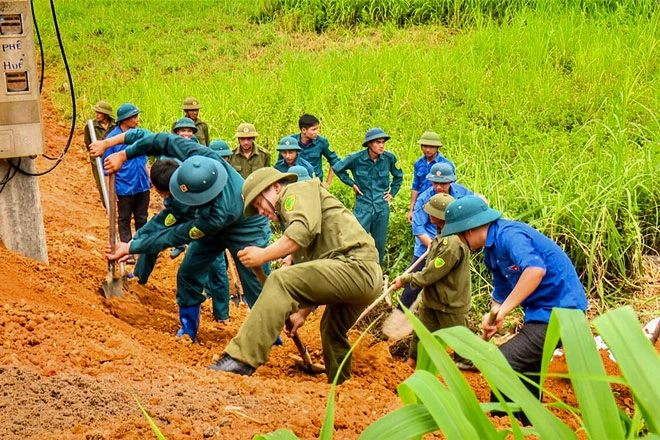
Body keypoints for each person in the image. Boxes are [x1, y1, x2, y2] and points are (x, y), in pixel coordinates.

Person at [90, 131, 272, 342]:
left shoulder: (215, 215)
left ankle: (270, 337)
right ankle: (188, 330)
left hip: (246, 225)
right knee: (188, 273)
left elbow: (174, 235)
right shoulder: (200, 156)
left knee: (256, 284)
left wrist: (131, 248)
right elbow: (160, 140)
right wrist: (124, 154)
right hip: (212, 223)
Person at [209, 168, 382, 384]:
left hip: (355, 266)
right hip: (364, 275)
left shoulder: (295, 191)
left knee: (280, 280)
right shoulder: (301, 213)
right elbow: (315, 273)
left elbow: (302, 232)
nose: (261, 211)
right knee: (331, 329)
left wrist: (262, 255)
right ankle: (341, 384)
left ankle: (240, 359)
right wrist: (301, 314)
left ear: (275, 187)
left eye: (259, 203)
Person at [441, 195, 588, 424]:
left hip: (562, 312)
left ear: (470, 228)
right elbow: (500, 292)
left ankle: (504, 425)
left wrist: (505, 311)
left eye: (459, 233)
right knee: (527, 373)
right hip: (539, 314)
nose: (460, 239)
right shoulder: (491, 252)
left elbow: (535, 270)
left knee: (502, 363)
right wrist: (492, 316)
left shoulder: (510, 235)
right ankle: (529, 425)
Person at [391, 193, 471, 369]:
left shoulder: (451, 244)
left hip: (450, 302)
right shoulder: (441, 235)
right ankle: (411, 362)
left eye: (431, 212)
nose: (428, 215)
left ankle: (466, 372)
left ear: (441, 216)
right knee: (421, 334)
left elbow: (430, 274)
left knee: (461, 340)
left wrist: (405, 279)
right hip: (433, 300)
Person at [399, 162, 474, 309]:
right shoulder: (424, 198)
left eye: (443, 183)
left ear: (451, 181)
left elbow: (474, 205)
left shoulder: (461, 193)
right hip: (426, 249)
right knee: (412, 287)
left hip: (452, 250)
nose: (439, 187)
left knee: (447, 285)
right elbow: (418, 227)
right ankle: (399, 318)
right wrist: (434, 247)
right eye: (435, 183)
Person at [333, 127, 404, 264]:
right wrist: (352, 184)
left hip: (381, 207)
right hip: (363, 206)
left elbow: (398, 176)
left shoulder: (389, 158)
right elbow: (337, 168)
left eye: (383, 142)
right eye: (378, 142)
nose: (382, 145)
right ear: (369, 144)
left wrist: (392, 193)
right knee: (355, 240)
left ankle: (377, 272)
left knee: (379, 244)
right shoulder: (356, 158)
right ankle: (355, 267)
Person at [102, 103, 150, 265]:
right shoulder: (112, 139)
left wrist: (150, 179)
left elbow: (144, 161)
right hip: (124, 187)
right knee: (124, 219)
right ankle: (127, 251)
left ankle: (142, 248)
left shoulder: (139, 136)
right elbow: (107, 169)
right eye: (134, 117)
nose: (137, 120)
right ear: (125, 120)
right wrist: (111, 192)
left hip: (141, 184)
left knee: (142, 218)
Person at [407, 131, 455, 223]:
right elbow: (415, 187)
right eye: (425, 146)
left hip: (439, 204)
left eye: (431, 147)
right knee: (419, 229)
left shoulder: (446, 164)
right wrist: (411, 209)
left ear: (437, 148)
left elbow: (451, 187)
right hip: (421, 203)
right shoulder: (419, 163)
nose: (428, 150)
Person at [286, 114, 340, 188]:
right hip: (295, 184)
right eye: (313, 129)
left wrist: (328, 182)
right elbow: (281, 163)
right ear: (304, 130)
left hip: (315, 184)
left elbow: (334, 161)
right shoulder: (291, 142)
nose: (316, 132)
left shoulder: (321, 142)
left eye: (317, 129)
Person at [84, 100, 117, 204]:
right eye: (96, 112)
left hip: (114, 158)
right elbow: (88, 143)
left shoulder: (115, 125)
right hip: (98, 161)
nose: (97, 115)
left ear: (106, 115)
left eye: (99, 113)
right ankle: (108, 207)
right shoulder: (91, 126)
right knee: (102, 185)